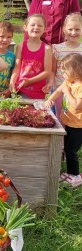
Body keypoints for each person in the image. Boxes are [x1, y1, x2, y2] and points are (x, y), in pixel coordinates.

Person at [45, 53, 82, 188]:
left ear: (75, 70)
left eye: (65, 71)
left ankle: (76, 176)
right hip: (70, 122)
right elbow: (58, 91)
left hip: (79, 125)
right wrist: (50, 99)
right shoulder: (69, 82)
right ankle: (70, 172)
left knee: (71, 150)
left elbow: (77, 106)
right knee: (67, 148)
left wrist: (67, 92)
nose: (63, 73)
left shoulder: (80, 87)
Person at [47, 13, 82, 124]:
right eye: (70, 29)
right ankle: (60, 140)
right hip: (59, 87)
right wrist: (51, 83)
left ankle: (72, 138)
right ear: (64, 30)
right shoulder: (57, 48)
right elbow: (53, 69)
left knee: (74, 116)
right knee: (59, 116)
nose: (73, 32)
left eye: (77, 29)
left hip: (78, 92)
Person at [10, 14, 52, 99]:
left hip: (38, 91)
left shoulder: (47, 49)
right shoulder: (20, 46)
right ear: (25, 27)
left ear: (45, 29)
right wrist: (12, 82)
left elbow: (47, 71)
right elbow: (17, 68)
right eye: (33, 25)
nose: (36, 27)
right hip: (21, 89)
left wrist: (29, 81)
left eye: (40, 25)